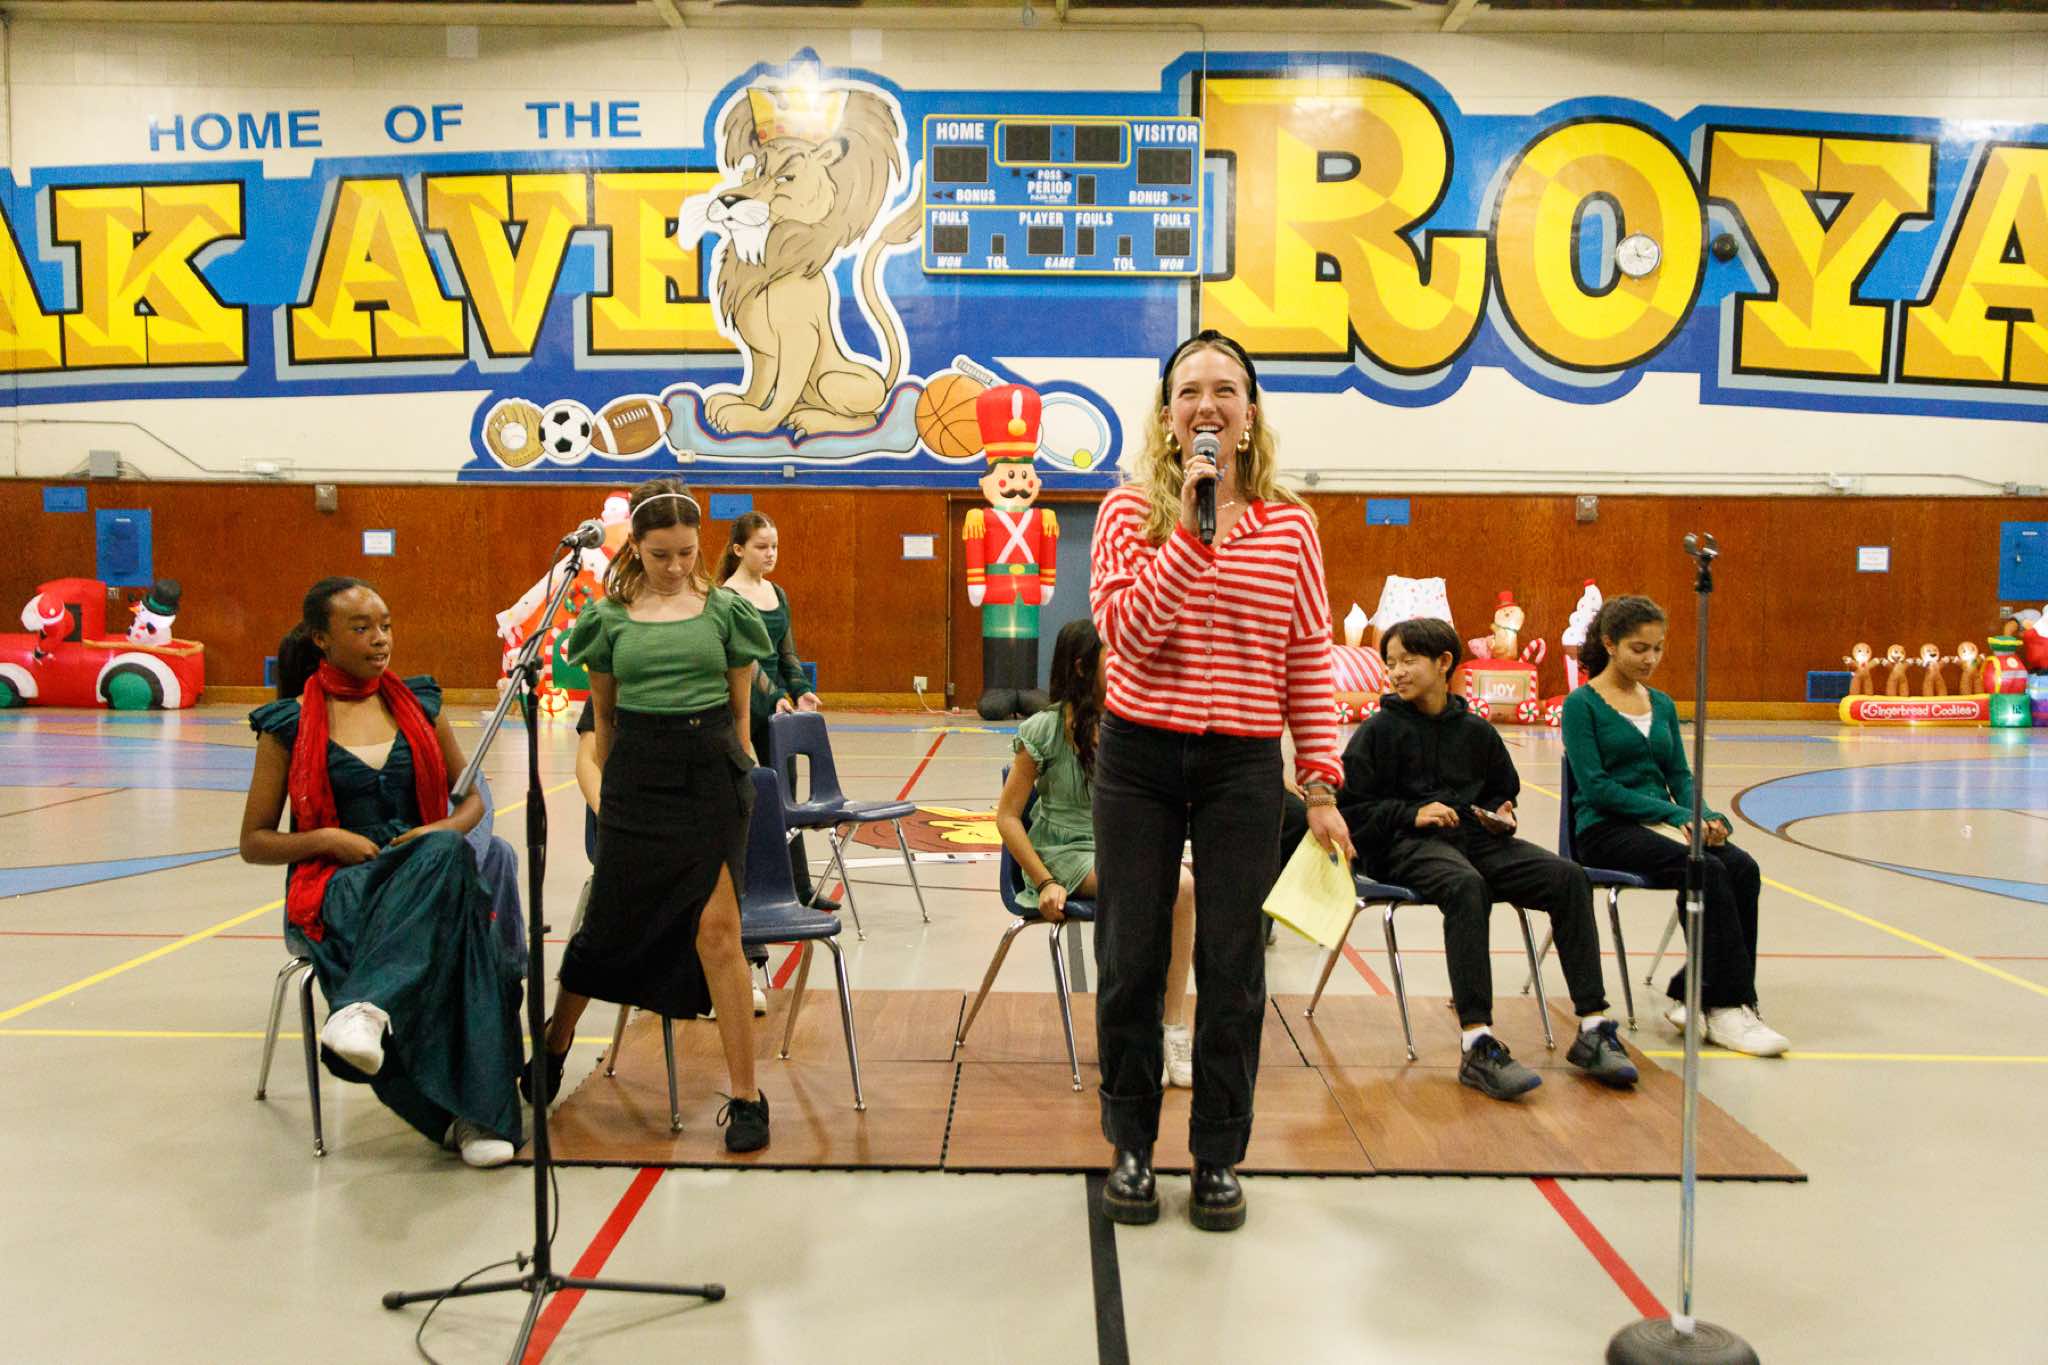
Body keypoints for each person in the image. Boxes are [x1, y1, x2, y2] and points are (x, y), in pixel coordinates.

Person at [1088, 328, 1355, 1233]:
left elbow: (1307, 657)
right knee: (1131, 957)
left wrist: (1320, 784)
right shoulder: (1128, 514)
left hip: (1242, 764)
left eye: (1225, 389)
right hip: (1139, 758)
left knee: (1234, 964)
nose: (1207, 403)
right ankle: (1131, 1143)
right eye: (1190, 390)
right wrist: (1190, 532)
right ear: (1168, 417)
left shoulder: (1290, 527)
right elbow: (1129, 634)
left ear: (1249, 413)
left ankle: (1216, 1155)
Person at [528, 479, 780, 1152]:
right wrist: (615, 794)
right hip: (637, 778)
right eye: (660, 554)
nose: (674, 566)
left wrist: (745, 777)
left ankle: (747, 1096)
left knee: (720, 933)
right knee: (606, 923)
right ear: (634, 546)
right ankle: (554, 1044)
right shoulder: (607, 619)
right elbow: (605, 720)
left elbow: (740, 713)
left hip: (711, 776)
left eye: (686, 553)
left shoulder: (726, 612)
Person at [238, 577, 523, 1168]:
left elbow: (471, 801)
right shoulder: (287, 724)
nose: (380, 639)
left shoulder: (420, 705)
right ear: (321, 638)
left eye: (386, 626)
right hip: (339, 884)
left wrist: (441, 829)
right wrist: (326, 838)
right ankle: (464, 1120)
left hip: (423, 872)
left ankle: (365, 1008)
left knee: (448, 861)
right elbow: (254, 842)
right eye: (361, 628)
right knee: (465, 931)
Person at [1337, 617, 1639, 1100]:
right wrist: (1412, 813)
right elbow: (1351, 813)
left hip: (1476, 840)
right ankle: (1477, 1042)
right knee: (1466, 886)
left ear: (1443, 663)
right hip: (1401, 845)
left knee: (1567, 877)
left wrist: (1501, 811)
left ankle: (1592, 1027)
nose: (1397, 672)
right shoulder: (1377, 732)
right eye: (1391, 662)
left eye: (1408, 660)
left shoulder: (1476, 731)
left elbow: (1502, 790)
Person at [1562, 595, 1789, 1057]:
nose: (1650, 659)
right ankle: (1725, 1007)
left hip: (1659, 826)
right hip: (1604, 830)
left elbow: (1680, 777)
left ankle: (1704, 992)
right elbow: (1597, 787)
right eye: (1639, 648)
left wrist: (1704, 816)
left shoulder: (1662, 704)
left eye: (1658, 648)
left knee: (1742, 866)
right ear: (1610, 644)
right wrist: (1675, 816)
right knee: (1705, 869)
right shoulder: (1580, 705)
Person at [995, 619, 1199, 1088]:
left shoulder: (1131, 725)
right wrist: (1045, 881)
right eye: (1114, 654)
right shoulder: (1044, 730)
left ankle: (1172, 1026)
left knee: (1184, 886)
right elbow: (1007, 817)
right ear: (1083, 666)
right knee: (1144, 888)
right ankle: (1130, 1034)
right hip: (1064, 852)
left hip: (1120, 842)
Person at [716, 510, 837, 913]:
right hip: (742, 708)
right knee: (747, 798)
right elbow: (746, 662)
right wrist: (775, 697)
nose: (770, 554)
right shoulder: (727, 598)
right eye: (761, 547)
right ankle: (746, 888)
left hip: (777, 711)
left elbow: (787, 654)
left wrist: (800, 691)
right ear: (738, 550)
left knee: (786, 800)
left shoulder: (777, 594)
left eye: (775, 547)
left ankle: (799, 887)